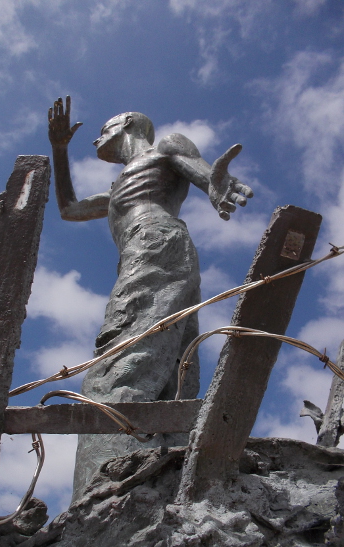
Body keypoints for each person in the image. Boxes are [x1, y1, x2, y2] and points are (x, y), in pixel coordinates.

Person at [48, 96, 253, 500]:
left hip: (155, 241)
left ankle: (106, 486)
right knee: (174, 367)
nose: (96, 140)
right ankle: (164, 480)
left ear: (127, 123)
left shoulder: (165, 148)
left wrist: (216, 186)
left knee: (122, 359)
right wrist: (58, 150)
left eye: (103, 130)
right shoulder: (119, 185)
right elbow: (69, 209)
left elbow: (204, 174)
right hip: (152, 250)